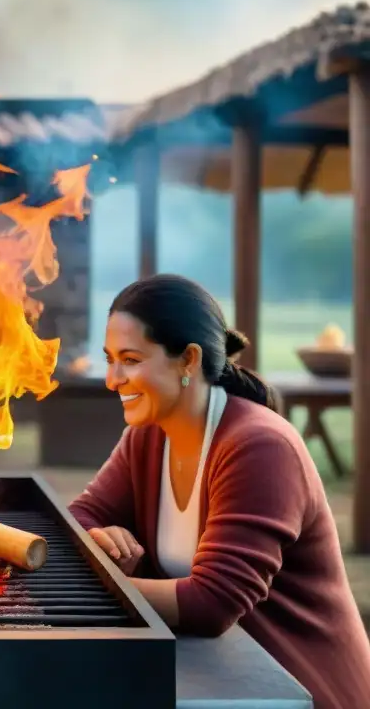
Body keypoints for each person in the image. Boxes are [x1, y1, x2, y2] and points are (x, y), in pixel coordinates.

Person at [68, 274, 370, 709]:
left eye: (130, 360)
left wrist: (101, 583)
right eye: (110, 359)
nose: (112, 380)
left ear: (188, 360)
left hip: (295, 688)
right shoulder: (150, 435)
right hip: (214, 678)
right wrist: (99, 541)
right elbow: (82, 516)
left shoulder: (260, 447)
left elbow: (212, 603)